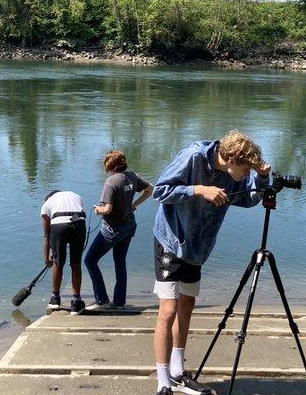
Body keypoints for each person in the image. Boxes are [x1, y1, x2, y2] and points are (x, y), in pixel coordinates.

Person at [152, 130, 271, 395]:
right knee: (168, 310)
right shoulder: (193, 157)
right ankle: (163, 383)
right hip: (171, 240)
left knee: (187, 305)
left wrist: (262, 178)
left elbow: (249, 199)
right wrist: (198, 189)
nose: (247, 175)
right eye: (246, 169)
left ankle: (178, 372)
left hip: (197, 247)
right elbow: (158, 192)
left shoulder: (232, 175)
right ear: (230, 159)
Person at [84, 150, 153, 310]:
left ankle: (102, 300)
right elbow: (150, 189)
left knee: (90, 260)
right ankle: (119, 303)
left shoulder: (111, 182)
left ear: (110, 165)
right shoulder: (133, 176)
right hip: (129, 227)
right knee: (120, 263)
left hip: (112, 230)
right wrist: (134, 205)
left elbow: (107, 209)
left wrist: (97, 210)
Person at [41, 190, 87, 315]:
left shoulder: (46, 205)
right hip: (79, 223)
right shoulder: (76, 195)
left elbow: (47, 235)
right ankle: (76, 303)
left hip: (59, 226)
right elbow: (79, 214)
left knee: (58, 262)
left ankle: (55, 299)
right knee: (76, 263)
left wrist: (47, 258)